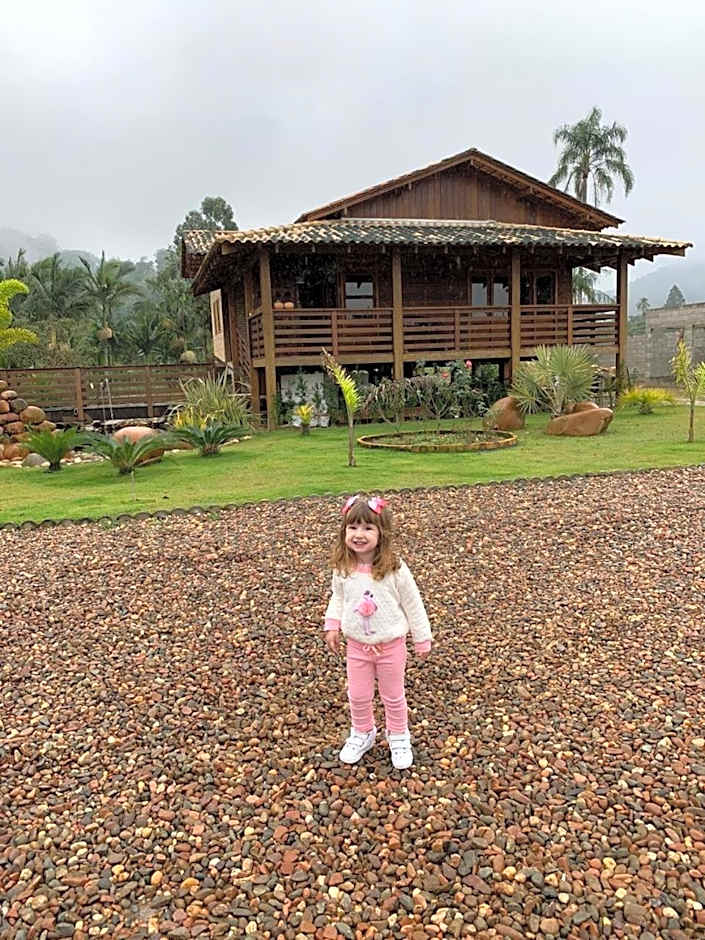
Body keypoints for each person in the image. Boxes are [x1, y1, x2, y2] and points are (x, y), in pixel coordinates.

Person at [324, 494, 432, 770]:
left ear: (382, 533)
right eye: (353, 527)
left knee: (393, 695)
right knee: (358, 695)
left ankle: (398, 735)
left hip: (390, 647)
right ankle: (363, 732)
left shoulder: (394, 568)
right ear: (344, 531)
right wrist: (332, 624)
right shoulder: (343, 568)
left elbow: (413, 603)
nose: (359, 534)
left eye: (368, 528)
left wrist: (422, 637)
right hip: (357, 647)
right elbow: (338, 598)